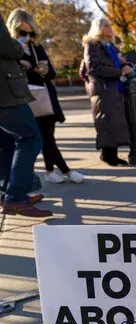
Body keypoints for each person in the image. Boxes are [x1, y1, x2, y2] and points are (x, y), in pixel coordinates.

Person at [7, 9, 84, 185]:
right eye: (22, 32)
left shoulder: (37, 47)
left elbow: (52, 73)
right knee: (45, 138)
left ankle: (49, 171)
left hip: (45, 97)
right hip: (26, 99)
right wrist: (21, 67)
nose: (27, 36)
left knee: (48, 136)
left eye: (30, 32)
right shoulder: (10, 49)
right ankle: (67, 171)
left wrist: (45, 70)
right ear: (14, 30)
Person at [0, 13, 52, 217]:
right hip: (5, 93)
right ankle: (15, 198)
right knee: (30, 138)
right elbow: (6, 47)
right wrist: (17, 46)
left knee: (6, 143)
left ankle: (9, 193)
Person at [83, 19, 132, 166]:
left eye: (110, 25)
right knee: (106, 122)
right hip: (103, 89)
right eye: (106, 26)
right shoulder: (92, 45)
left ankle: (112, 155)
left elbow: (120, 61)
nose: (110, 28)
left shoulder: (110, 45)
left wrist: (127, 65)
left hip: (114, 87)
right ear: (98, 28)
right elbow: (94, 68)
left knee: (115, 122)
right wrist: (119, 72)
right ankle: (107, 155)